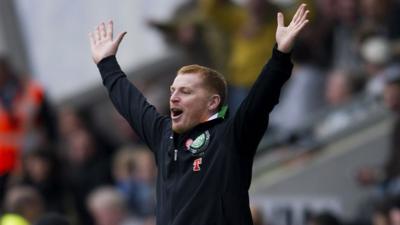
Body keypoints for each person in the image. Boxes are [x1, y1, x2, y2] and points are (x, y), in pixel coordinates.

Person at [89, 3, 309, 225]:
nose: (174, 97)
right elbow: (132, 105)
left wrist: (280, 55)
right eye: (173, 90)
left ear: (212, 102)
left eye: (186, 91)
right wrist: (107, 63)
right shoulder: (163, 135)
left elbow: (260, 100)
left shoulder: (230, 136)